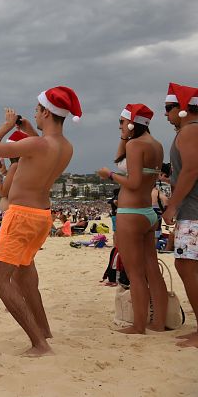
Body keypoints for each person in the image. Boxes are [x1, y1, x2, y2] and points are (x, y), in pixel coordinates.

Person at [0, 87, 81, 356]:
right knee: (26, 279)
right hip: (41, 216)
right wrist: (30, 131)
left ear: (47, 112)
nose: (34, 114)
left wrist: (6, 126)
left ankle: (39, 342)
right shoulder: (65, 147)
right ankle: (44, 330)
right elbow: (42, 152)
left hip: (22, 215)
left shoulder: (38, 144)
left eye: (37, 110)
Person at [97, 103, 168, 333]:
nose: (119, 126)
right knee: (152, 270)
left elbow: (134, 183)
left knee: (135, 273)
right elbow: (122, 159)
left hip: (130, 212)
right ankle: (158, 323)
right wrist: (124, 135)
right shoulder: (155, 145)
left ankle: (138, 326)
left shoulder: (136, 145)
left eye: (121, 122)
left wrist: (110, 175)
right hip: (148, 213)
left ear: (132, 123)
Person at [161, 83, 198, 347]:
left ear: (183, 109)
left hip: (192, 211)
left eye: (168, 108)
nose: (166, 114)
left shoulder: (189, 132)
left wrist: (172, 205)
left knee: (185, 267)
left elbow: (191, 170)